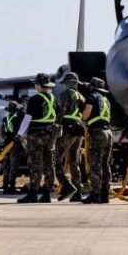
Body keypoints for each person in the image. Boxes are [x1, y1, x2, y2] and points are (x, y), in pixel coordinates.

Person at [16, 73, 59, 203]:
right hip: (50, 134)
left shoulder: (34, 99)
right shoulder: (54, 98)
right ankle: (47, 193)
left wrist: (19, 134)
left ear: (39, 85)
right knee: (49, 164)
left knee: (35, 164)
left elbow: (27, 118)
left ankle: (33, 193)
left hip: (36, 135)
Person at [81, 77, 113, 204]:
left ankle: (95, 194)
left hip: (98, 133)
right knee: (105, 164)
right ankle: (105, 194)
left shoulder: (92, 97)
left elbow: (86, 113)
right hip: (108, 132)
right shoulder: (106, 100)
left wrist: (82, 117)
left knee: (95, 164)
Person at [55, 72, 85, 202]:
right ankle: (78, 191)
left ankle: (66, 186)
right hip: (79, 130)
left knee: (55, 159)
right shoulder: (82, 97)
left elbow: (61, 111)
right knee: (74, 161)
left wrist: (57, 126)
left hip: (67, 128)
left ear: (67, 83)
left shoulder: (66, 94)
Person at [0, 101, 24, 195]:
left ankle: (5, 187)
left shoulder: (5, 119)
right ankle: (12, 187)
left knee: (6, 166)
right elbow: (24, 119)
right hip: (14, 144)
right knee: (14, 166)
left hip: (7, 143)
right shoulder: (17, 119)